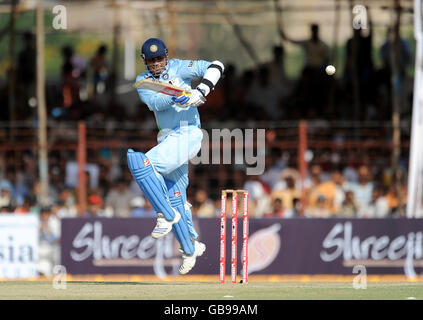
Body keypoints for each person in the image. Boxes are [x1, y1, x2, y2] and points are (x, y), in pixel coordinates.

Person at [127, 38, 224, 274]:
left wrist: (201, 91)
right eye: (151, 60)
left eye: (160, 58)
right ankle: (190, 248)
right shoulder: (143, 81)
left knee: (138, 161)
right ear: (145, 61)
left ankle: (166, 214)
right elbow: (156, 103)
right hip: (168, 138)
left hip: (188, 134)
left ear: (166, 56)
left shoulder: (180, 67)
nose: (156, 63)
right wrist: (179, 95)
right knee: (176, 194)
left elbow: (217, 66)